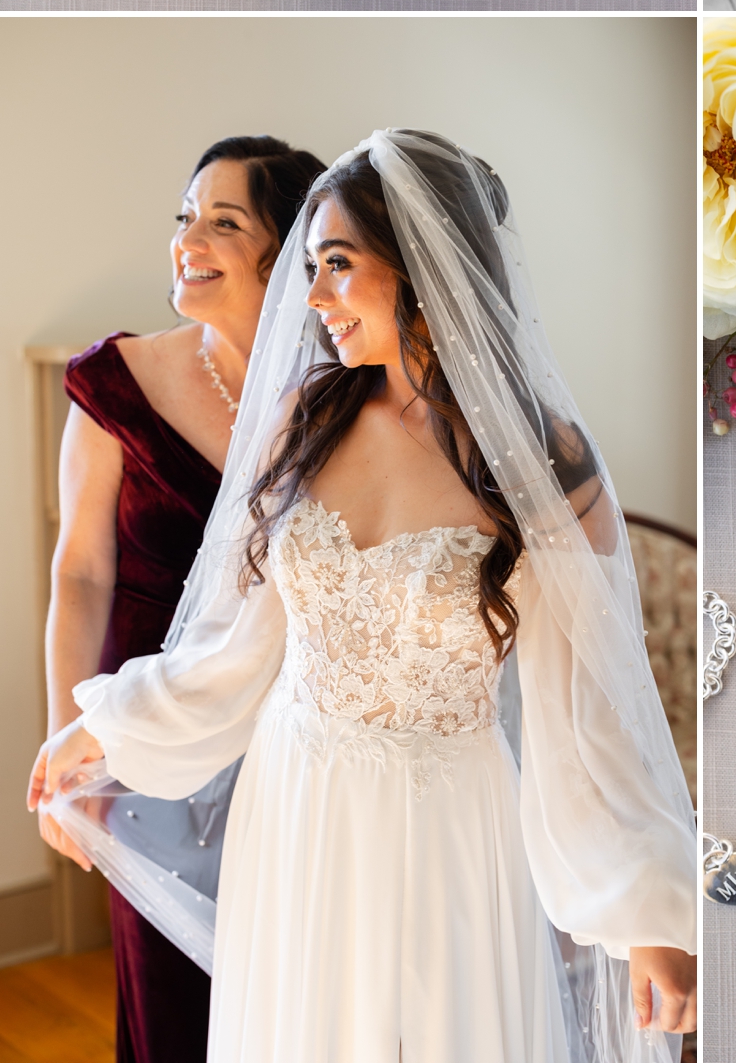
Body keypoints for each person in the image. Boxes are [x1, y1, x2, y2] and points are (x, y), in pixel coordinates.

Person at [33, 131, 697, 1063]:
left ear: (421, 263)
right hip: (296, 809)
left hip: (451, 828)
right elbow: (235, 647)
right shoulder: (303, 422)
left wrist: (649, 918)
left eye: (336, 266)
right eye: (309, 269)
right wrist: (101, 728)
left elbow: (588, 715)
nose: (311, 299)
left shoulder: (541, 466)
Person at [41, 134, 326, 1063]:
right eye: (184, 217)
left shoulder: (340, 396)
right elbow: (80, 574)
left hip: (292, 744)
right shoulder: (115, 383)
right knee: (170, 1008)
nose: (187, 239)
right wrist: (66, 754)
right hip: (143, 749)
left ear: (281, 255)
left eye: (223, 222)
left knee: (290, 997)